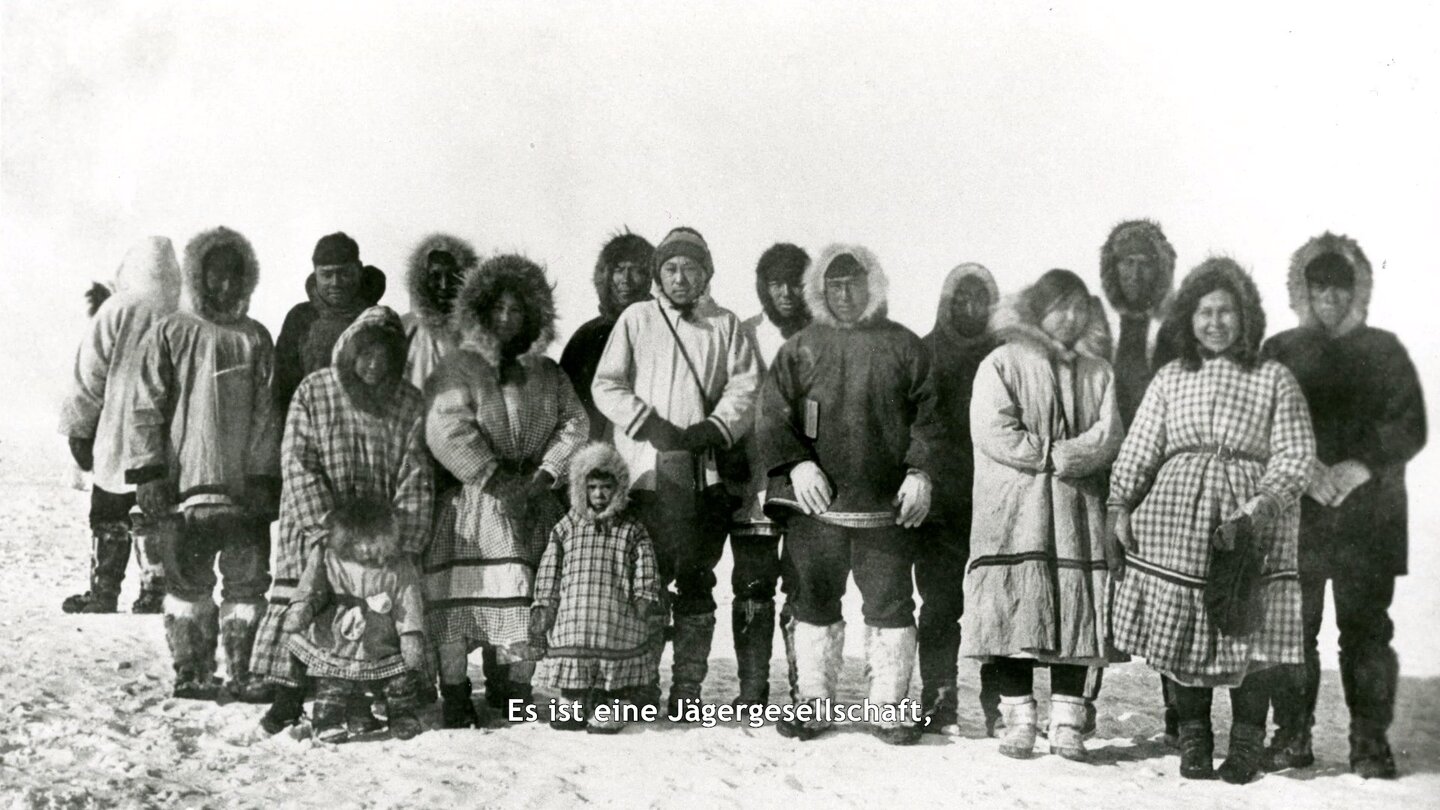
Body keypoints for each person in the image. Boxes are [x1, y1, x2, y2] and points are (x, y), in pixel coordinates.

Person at [1109, 258, 1315, 784]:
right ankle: (1194, 737)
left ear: (1246, 318)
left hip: (1254, 518)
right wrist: (1120, 504)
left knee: (1253, 633)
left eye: (1227, 312)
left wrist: (1260, 508)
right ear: (1189, 319)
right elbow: (1140, 447)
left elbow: (1294, 454)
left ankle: (1245, 743)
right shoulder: (1172, 378)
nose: (1216, 323)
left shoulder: (1274, 378)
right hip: (1178, 517)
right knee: (1184, 626)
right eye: (1205, 312)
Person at [1261, 233, 1426, 779]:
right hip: (1299, 515)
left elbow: (1410, 424)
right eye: (1319, 285)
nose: (1329, 296)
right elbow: (1257, 420)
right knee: (1292, 627)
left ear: (1358, 289)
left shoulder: (1384, 350)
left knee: (1366, 632)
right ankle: (1292, 736)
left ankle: (1368, 743)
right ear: (1302, 290)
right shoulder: (1280, 350)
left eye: (1340, 286)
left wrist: (1358, 467)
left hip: (1367, 517)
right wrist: (1305, 471)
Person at [761, 244, 940, 746]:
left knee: (890, 605)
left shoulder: (904, 346)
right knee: (813, 601)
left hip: (885, 506)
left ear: (872, 284)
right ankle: (813, 704)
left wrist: (920, 472)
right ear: (820, 289)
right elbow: (773, 413)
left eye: (853, 283)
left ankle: (890, 708)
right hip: (816, 507)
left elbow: (932, 418)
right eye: (834, 285)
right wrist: (796, 465)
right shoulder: (800, 347)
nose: (844, 293)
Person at [592, 226, 760, 715]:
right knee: (643, 580)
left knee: (696, 578)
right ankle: (640, 681)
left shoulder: (724, 324)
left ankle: (687, 686)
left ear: (706, 272)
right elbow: (608, 385)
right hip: (644, 474)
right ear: (657, 274)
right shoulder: (637, 319)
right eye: (671, 268)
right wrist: (649, 424)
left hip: (702, 477)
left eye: (691, 267)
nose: (681, 277)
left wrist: (715, 427)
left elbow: (745, 386)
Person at [960, 269, 1122, 762]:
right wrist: (1050, 453)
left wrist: (1075, 457)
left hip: (1077, 512)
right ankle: (1019, 718)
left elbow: (1108, 434)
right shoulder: (1002, 362)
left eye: (1079, 307)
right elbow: (992, 428)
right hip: (1015, 509)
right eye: (1059, 307)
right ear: (1037, 310)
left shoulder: (1099, 372)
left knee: (1075, 611)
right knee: (1016, 610)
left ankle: (1069, 721)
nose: (1070, 318)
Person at [251, 306, 435, 735]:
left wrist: (396, 539)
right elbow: (297, 461)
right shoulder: (315, 391)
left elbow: (416, 473)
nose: (374, 364)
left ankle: (360, 703)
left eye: (385, 356)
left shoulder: (408, 402)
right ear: (349, 349)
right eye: (365, 353)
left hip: (377, 541)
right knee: (308, 604)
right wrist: (323, 526)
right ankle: (287, 700)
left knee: (369, 617)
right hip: (321, 533)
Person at [424, 254, 588, 728]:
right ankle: (455, 691)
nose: (507, 319)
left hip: (535, 497)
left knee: (527, 595)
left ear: (533, 316)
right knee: (464, 598)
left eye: (517, 311)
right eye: (498, 310)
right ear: (480, 312)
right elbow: (445, 426)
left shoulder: (550, 373)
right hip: (478, 500)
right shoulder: (461, 367)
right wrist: (493, 478)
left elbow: (574, 423)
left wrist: (543, 476)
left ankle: (514, 688)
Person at [125, 226, 281, 701]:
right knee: (187, 582)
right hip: (181, 486)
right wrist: (149, 473)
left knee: (247, 583)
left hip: (241, 491)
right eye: (215, 277)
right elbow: (145, 405)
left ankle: (244, 670)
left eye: (234, 277)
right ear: (199, 277)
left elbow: (265, 413)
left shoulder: (255, 338)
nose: (225, 286)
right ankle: (191, 669)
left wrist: (261, 477)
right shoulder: (170, 332)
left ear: (246, 279)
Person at [58, 236, 180, 614]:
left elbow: (88, 376)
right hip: (166, 435)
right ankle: (155, 590)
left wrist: (79, 430)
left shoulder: (115, 309)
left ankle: (104, 591)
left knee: (109, 512)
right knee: (154, 513)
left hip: (116, 433)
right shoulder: (184, 310)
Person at [1098, 220, 1178, 739]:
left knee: (1172, 590)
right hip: (1105, 472)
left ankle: (1179, 714)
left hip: (1165, 474)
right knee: (1099, 589)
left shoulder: (1175, 326)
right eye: (1125, 261)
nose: (1135, 272)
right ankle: (1076, 704)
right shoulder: (1097, 321)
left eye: (1145, 262)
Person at [917, 262, 1001, 736]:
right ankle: (939, 693)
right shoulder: (925, 352)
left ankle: (999, 701)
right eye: (961, 298)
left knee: (995, 602)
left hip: (997, 496)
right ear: (946, 303)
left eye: (980, 299)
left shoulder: (1005, 355)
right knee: (939, 600)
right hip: (943, 499)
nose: (970, 308)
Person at [530, 442, 660, 734]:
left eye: (605, 487)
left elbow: (645, 564)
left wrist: (645, 596)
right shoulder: (567, 526)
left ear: (619, 488)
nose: (599, 494)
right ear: (581, 489)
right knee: (573, 661)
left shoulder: (630, 528)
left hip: (616, 613)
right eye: (592, 487)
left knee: (616, 667)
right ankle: (572, 703)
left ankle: (612, 705)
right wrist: (544, 603)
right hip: (575, 614)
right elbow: (551, 566)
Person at [730, 242, 811, 707]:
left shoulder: (823, 335)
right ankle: (752, 688)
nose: (785, 291)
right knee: (753, 584)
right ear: (763, 286)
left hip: (808, 483)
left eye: (794, 281)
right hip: (755, 482)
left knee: (804, 585)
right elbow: (727, 396)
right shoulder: (744, 333)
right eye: (775, 282)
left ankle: (805, 688)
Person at [283, 498, 428, 743]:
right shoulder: (329, 556)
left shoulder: (399, 564)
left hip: (381, 636)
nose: (364, 549)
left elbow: (408, 600)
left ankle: (402, 716)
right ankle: (327, 721)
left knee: (398, 679)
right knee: (334, 680)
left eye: (371, 541)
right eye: (357, 541)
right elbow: (313, 588)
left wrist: (410, 634)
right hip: (339, 634)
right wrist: (302, 609)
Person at [273, 232, 387, 415]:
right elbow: (283, 387)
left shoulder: (379, 319)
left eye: (344, 273)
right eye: (327, 275)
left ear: (358, 269)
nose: (336, 283)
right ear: (315, 274)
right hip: (310, 428)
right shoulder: (300, 319)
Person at [559, 232, 654, 442]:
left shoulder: (662, 329)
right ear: (607, 275)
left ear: (649, 277)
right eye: (619, 270)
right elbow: (566, 406)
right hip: (595, 449)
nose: (626, 280)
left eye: (636, 270)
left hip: (648, 444)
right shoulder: (586, 337)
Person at [403, 233, 479, 390]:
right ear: (421, 279)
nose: (444, 285)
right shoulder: (405, 328)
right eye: (435, 276)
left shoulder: (479, 330)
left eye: (453, 276)